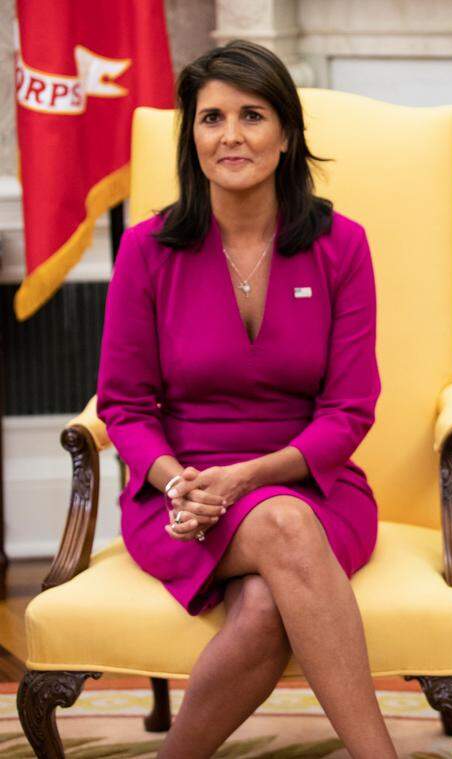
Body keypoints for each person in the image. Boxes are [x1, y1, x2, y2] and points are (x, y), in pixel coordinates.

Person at [97, 40, 398, 758]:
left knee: (270, 588)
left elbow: (350, 409)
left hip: (310, 484)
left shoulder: (340, 246)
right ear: (190, 135)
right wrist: (179, 483)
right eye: (211, 118)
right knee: (285, 539)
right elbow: (124, 406)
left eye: (252, 115)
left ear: (287, 134)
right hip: (179, 495)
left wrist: (251, 477)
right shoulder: (147, 250)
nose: (230, 135)